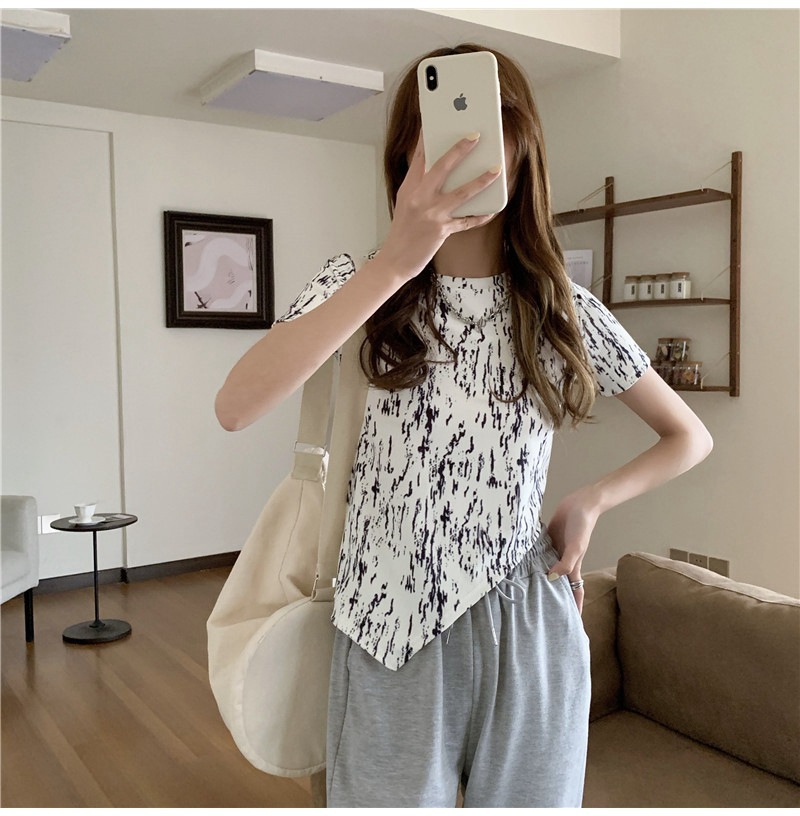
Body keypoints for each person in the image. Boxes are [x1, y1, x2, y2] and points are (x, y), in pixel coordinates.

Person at [215, 43, 713, 809]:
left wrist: (591, 502)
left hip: (529, 623)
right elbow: (236, 406)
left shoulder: (559, 308)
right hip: (384, 623)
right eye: (441, 128)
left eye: (488, 124)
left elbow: (689, 436)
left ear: (524, 148)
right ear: (404, 156)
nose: (467, 145)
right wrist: (395, 263)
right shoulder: (358, 284)